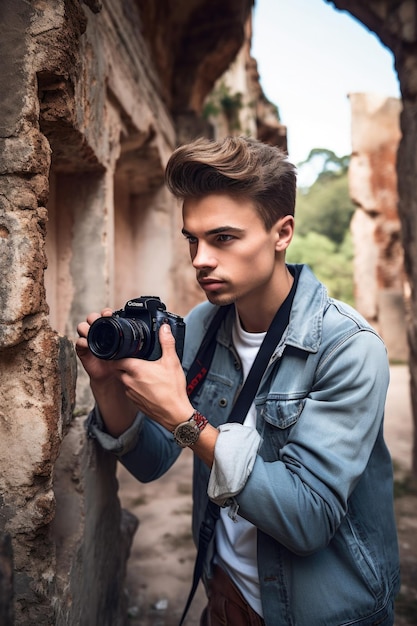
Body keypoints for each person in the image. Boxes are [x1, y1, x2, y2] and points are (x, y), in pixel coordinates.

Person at [76, 136, 400, 626]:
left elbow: (307, 519)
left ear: (282, 232)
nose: (200, 259)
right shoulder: (203, 326)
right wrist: (106, 386)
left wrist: (186, 419)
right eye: (192, 239)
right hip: (225, 595)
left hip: (320, 614)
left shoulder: (347, 346)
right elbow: (149, 463)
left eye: (222, 238)